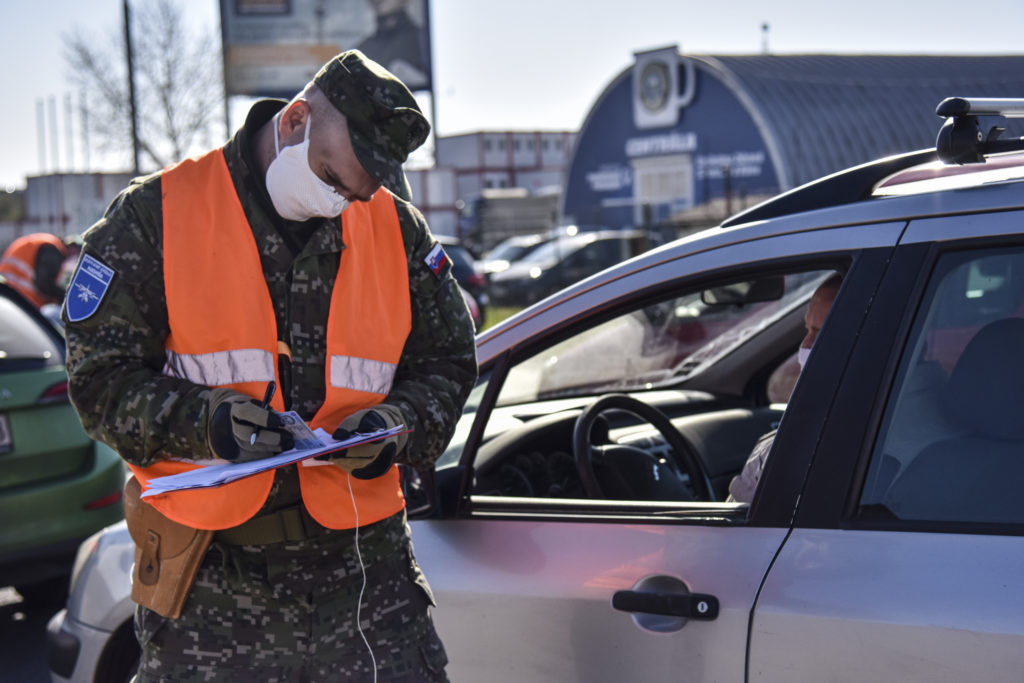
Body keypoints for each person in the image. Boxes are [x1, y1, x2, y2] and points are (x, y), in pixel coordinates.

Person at [63, 50, 477, 682]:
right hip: (213, 594)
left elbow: (448, 361)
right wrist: (209, 422)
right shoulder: (155, 216)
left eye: (359, 191)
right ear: (294, 122)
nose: (344, 202)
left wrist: (396, 426)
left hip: (366, 587)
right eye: (334, 178)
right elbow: (101, 380)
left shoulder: (395, 225)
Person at [726, 274, 841, 504]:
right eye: (807, 330)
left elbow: (736, 531)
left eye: (821, 333)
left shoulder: (814, 434)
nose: (805, 345)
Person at [0, 232, 68, 308]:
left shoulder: (37, 241)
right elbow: (44, 283)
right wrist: (65, 297)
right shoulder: (52, 249)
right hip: (24, 299)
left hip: (7, 295)